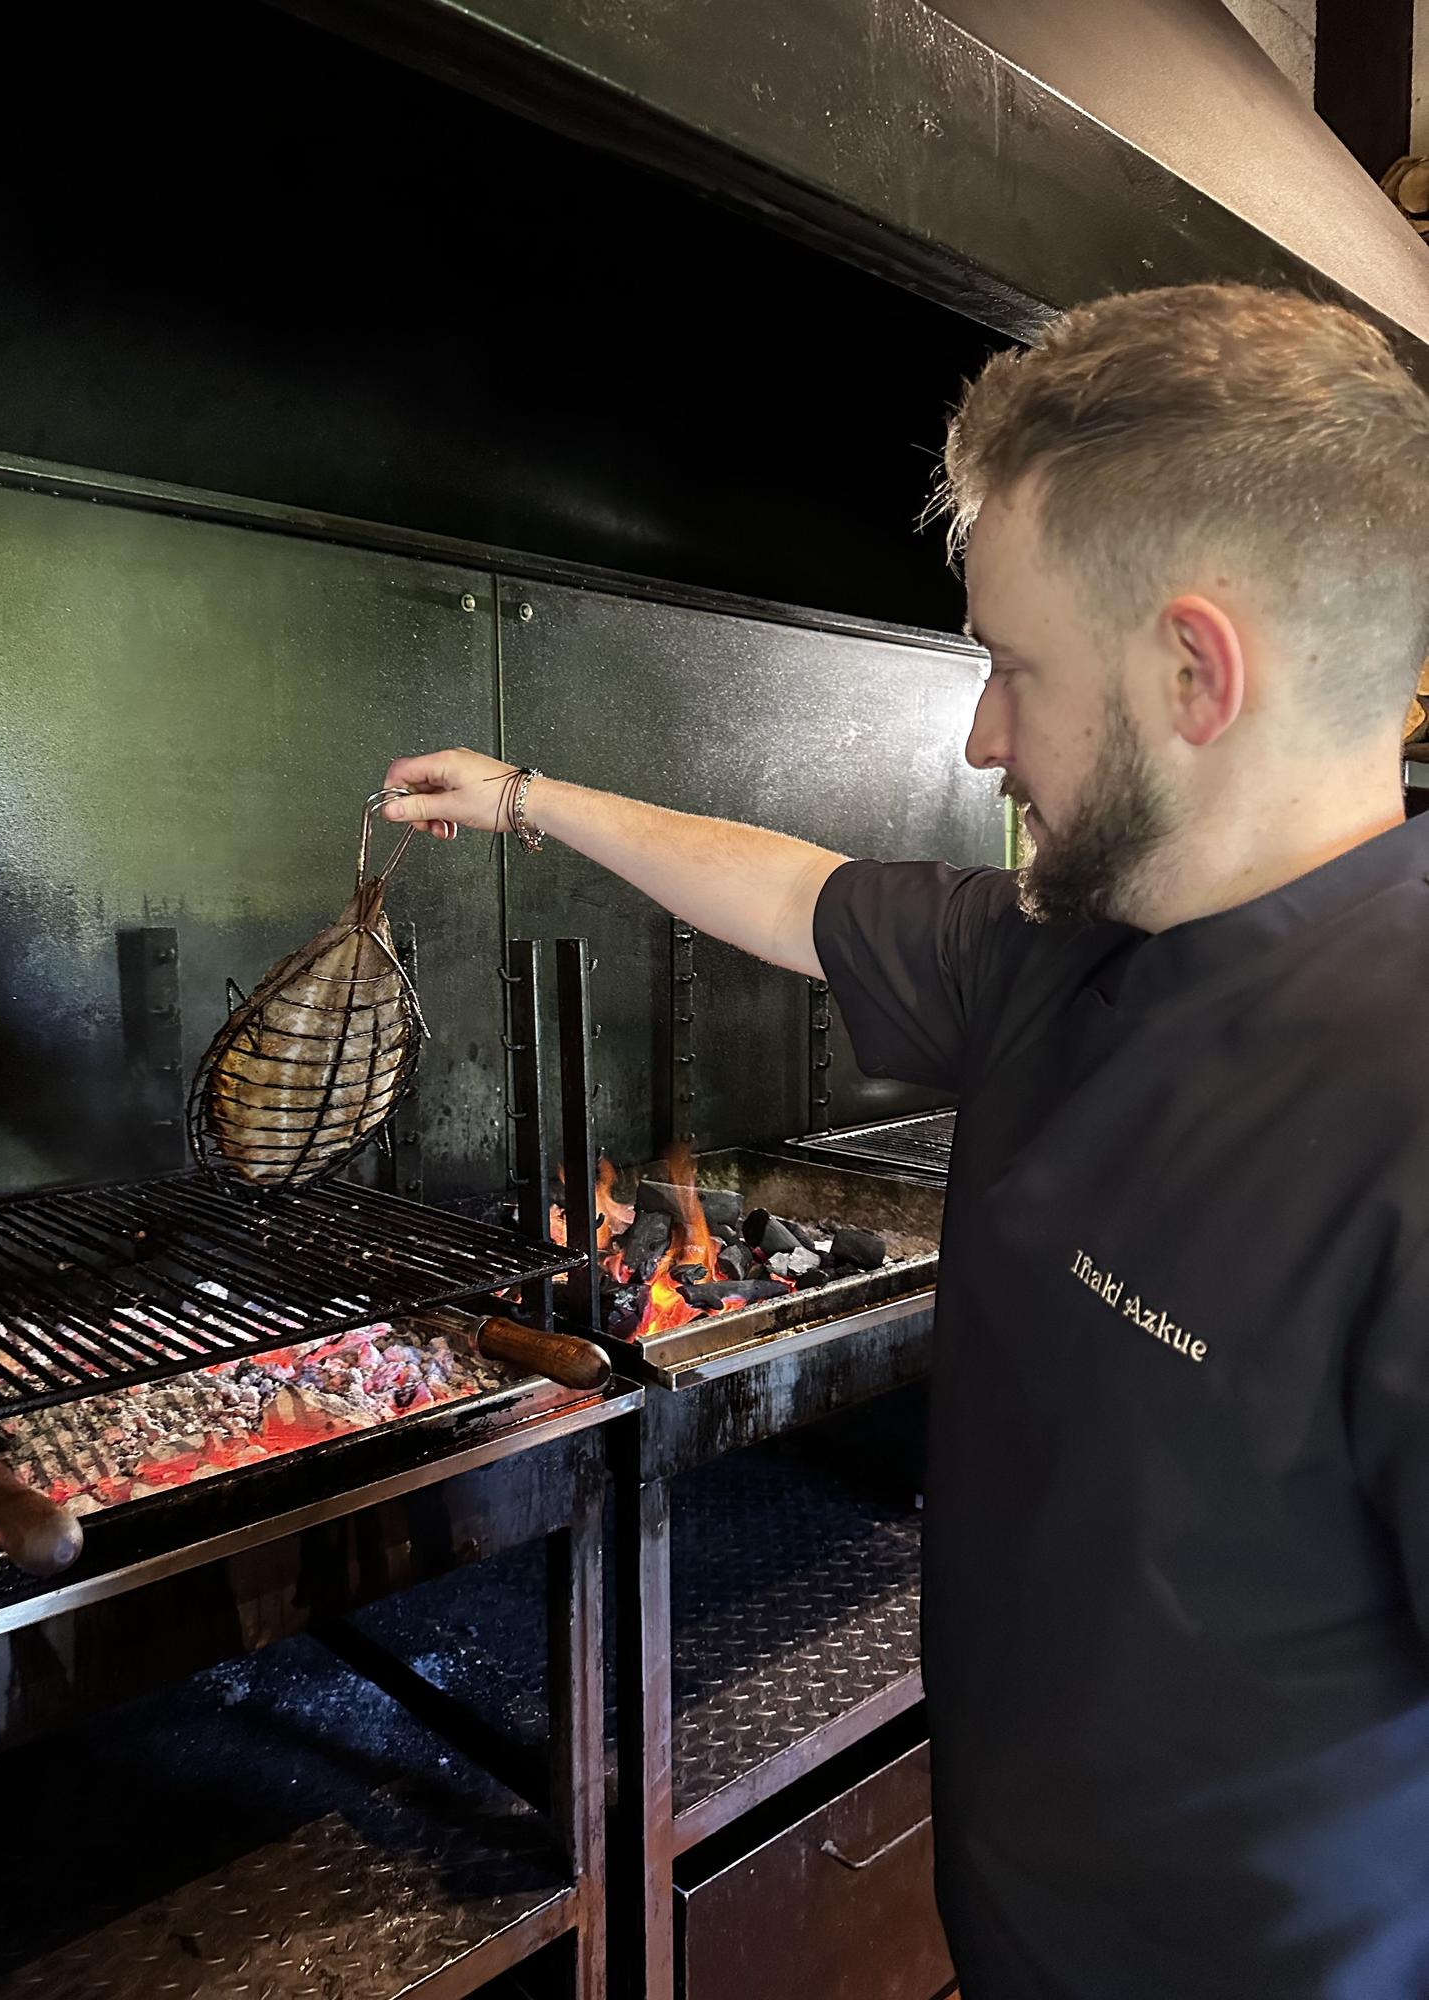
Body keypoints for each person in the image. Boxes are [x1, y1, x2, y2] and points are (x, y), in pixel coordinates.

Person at [383, 284, 1429, 1999]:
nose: (980, 737)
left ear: (1195, 669)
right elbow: (791, 890)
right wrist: (525, 799)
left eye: (1013, 666)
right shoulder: (1060, 953)